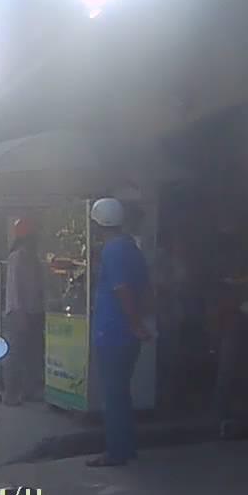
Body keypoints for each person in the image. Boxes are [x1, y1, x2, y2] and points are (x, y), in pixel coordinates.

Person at [87, 197, 152, 467]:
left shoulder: (112, 250)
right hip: (126, 332)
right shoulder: (130, 247)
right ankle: (126, 447)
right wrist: (140, 322)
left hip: (113, 332)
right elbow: (143, 288)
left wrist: (135, 323)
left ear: (98, 224)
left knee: (114, 395)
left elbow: (121, 289)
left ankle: (117, 451)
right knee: (121, 393)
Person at [4, 215, 45, 405]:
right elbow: (14, 288)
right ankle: (11, 393)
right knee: (16, 353)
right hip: (19, 313)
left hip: (34, 311)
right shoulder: (17, 257)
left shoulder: (34, 258)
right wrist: (19, 313)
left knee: (33, 353)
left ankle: (30, 389)